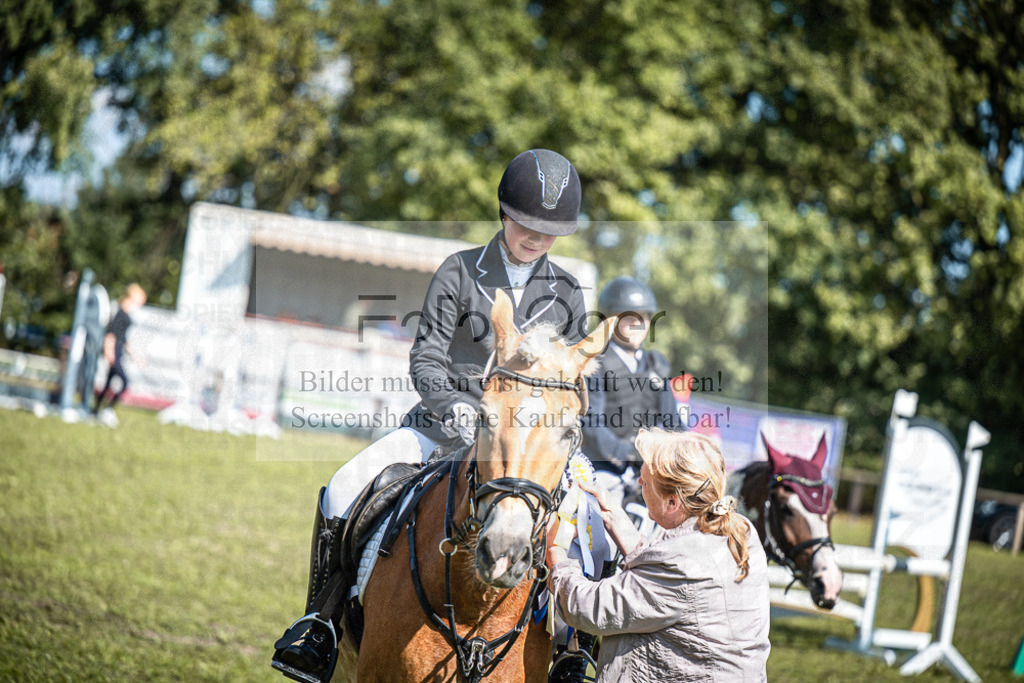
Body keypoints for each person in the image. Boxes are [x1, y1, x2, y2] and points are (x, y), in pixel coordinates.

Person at [272, 149, 589, 683]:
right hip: (442, 427)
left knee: (589, 523)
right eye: (526, 224)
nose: (535, 238)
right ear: (503, 212)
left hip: (524, 444)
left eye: (548, 231)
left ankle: (572, 647)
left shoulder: (568, 292)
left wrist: (566, 434)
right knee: (345, 484)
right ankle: (319, 624)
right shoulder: (460, 270)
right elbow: (426, 357)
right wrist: (458, 412)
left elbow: (574, 378)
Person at [547, 428, 771, 682]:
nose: (639, 485)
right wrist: (615, 519)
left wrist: (556, 551)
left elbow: (587, 608)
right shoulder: (738, 530)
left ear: (672, 503)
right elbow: (662, 585)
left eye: (645, 482)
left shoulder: (680, 564)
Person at [582, 276, 681, 507]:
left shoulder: (656, 365)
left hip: (650, 468)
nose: (639, 325)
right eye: (630, 318)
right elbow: (591, 423)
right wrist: (626, 453)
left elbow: (673, 423)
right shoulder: (597, 363)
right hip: (606, 466)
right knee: (606, 510)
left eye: (644, 318)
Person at [92, 283, 146, 426]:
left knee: (108, 382)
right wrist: (109, 352)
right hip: (114, 351)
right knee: (124, 381)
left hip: (119, 350)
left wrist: (135, 356)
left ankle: (96, 411)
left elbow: (123, 338)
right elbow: (111, 334)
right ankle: (107, 409)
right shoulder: (121, 312)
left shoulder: (126, 313)